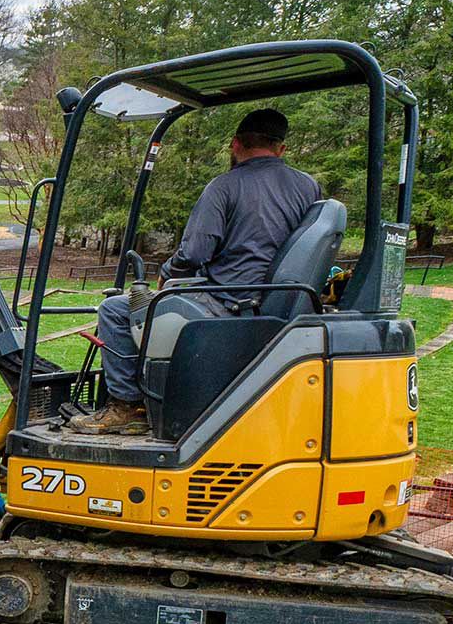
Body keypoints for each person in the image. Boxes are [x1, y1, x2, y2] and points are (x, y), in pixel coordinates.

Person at [76, 107, 323, 435]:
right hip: (280, 302)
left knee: (116, 310)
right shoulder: (308, 187)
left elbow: (194, 252)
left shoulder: (224, 187)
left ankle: (127, 406)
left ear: (235, 144)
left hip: (228, 304)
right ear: (281, 149)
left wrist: (166, 275)